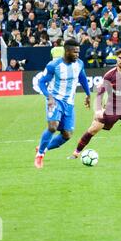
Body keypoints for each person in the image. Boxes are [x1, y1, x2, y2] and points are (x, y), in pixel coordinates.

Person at [69, 47, 121, 159]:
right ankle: (76, 153)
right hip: (112, 109)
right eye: (119, 58)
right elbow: (100, 94)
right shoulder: (109, 75)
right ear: (116, 58)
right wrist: (98, 110)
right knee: (93, 129)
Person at [34, 39, 91, 169]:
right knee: (53, 127)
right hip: (55, 100)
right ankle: (40, 155)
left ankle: (43, 147)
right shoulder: (54, 65)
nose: (77, 54)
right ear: (67, 51)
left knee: (67, 135)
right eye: (75, 52)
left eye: (78, 52)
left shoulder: (79, 64)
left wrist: (88, 94)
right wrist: (48, 97)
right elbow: (42, 82)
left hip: (69, 103)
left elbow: (82, 78)